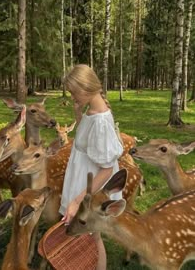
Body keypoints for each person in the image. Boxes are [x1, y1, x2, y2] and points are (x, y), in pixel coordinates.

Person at [59, 64, 123, 270]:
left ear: (86, 88)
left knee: (93, 238)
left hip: (89, 188)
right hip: (82, 178)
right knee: (86, 237)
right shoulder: (92, 110)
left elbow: (106, 169)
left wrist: (78, 200)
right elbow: (84, 139)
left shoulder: (101, 121)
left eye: (73, 92)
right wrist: (79, 114)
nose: (71, 96)